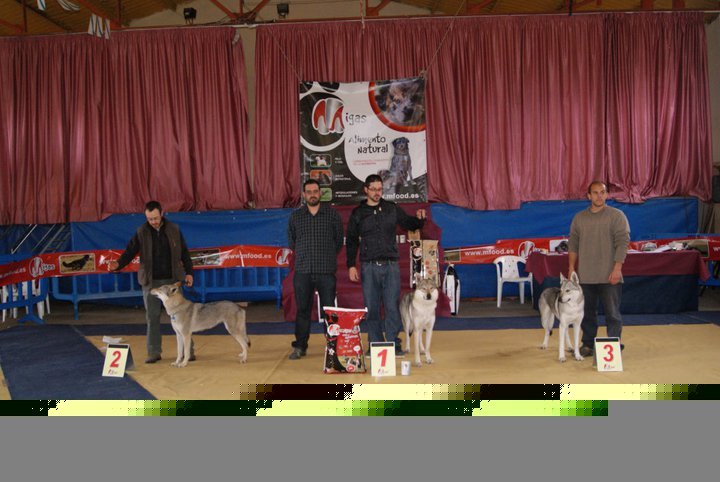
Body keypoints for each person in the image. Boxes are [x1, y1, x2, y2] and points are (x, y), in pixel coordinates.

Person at [346, 174, 426, 356]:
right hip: (368, 266)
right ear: (366, 190)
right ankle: (374, 343)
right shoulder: (358, 213)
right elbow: (351, 240)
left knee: (391, 306)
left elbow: (409, 223)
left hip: (391, 266)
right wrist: (351, 265)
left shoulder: (391, 208)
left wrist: (420, 220)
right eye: (373, 189)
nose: (377, 192)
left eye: (380, 189)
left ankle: (393, 343)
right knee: (372, 307)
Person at [108, 201, 195, 364]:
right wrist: (118, 264)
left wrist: (189, 273)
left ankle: (188, 351)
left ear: (162, 213)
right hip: (151, 282)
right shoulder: (141, 232)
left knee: (183, 316)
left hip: (172, 282)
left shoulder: (174, 229)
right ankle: (153, 351)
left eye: (155, 218)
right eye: (149, 219)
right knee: (152, 317)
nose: (153, 221)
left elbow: (184, 252)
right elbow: (130, 251)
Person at [568, 181, 630, 357]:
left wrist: (617, 268)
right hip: (585, 276)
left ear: (607, 194)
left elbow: (622, 243)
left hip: (609, 275)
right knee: (587, 314)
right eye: (595, 193)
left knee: (613, 314)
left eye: (602, 192)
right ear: (589, 196)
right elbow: (573, 244)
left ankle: (614, 346)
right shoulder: (579, 218)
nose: (599, 196)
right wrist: (571, 267)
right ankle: (588, 345)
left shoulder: (617, 216)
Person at [287, 179, 344, 360]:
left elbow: (338, 241)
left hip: (326, 270)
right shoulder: (296, 217)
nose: (312, 194)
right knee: (302, 310)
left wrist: (326, 256)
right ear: (304, 195)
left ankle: (333, 345)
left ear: (320, 193)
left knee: (329, 310)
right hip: (303, 270)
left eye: (315, 191)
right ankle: (300, 346)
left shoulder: (332, 215)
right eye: (309, 192)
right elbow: (292, 242)